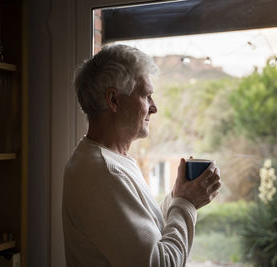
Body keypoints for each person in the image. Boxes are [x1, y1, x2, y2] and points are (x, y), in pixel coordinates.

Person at [62, 44, 221, 267]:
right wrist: (186, 203)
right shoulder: (102, 173)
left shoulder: (110, 161)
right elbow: (160, 263)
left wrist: (179, 195)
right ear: (114, 100)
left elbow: (148, 234)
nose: (154, 108)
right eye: (146, 96)